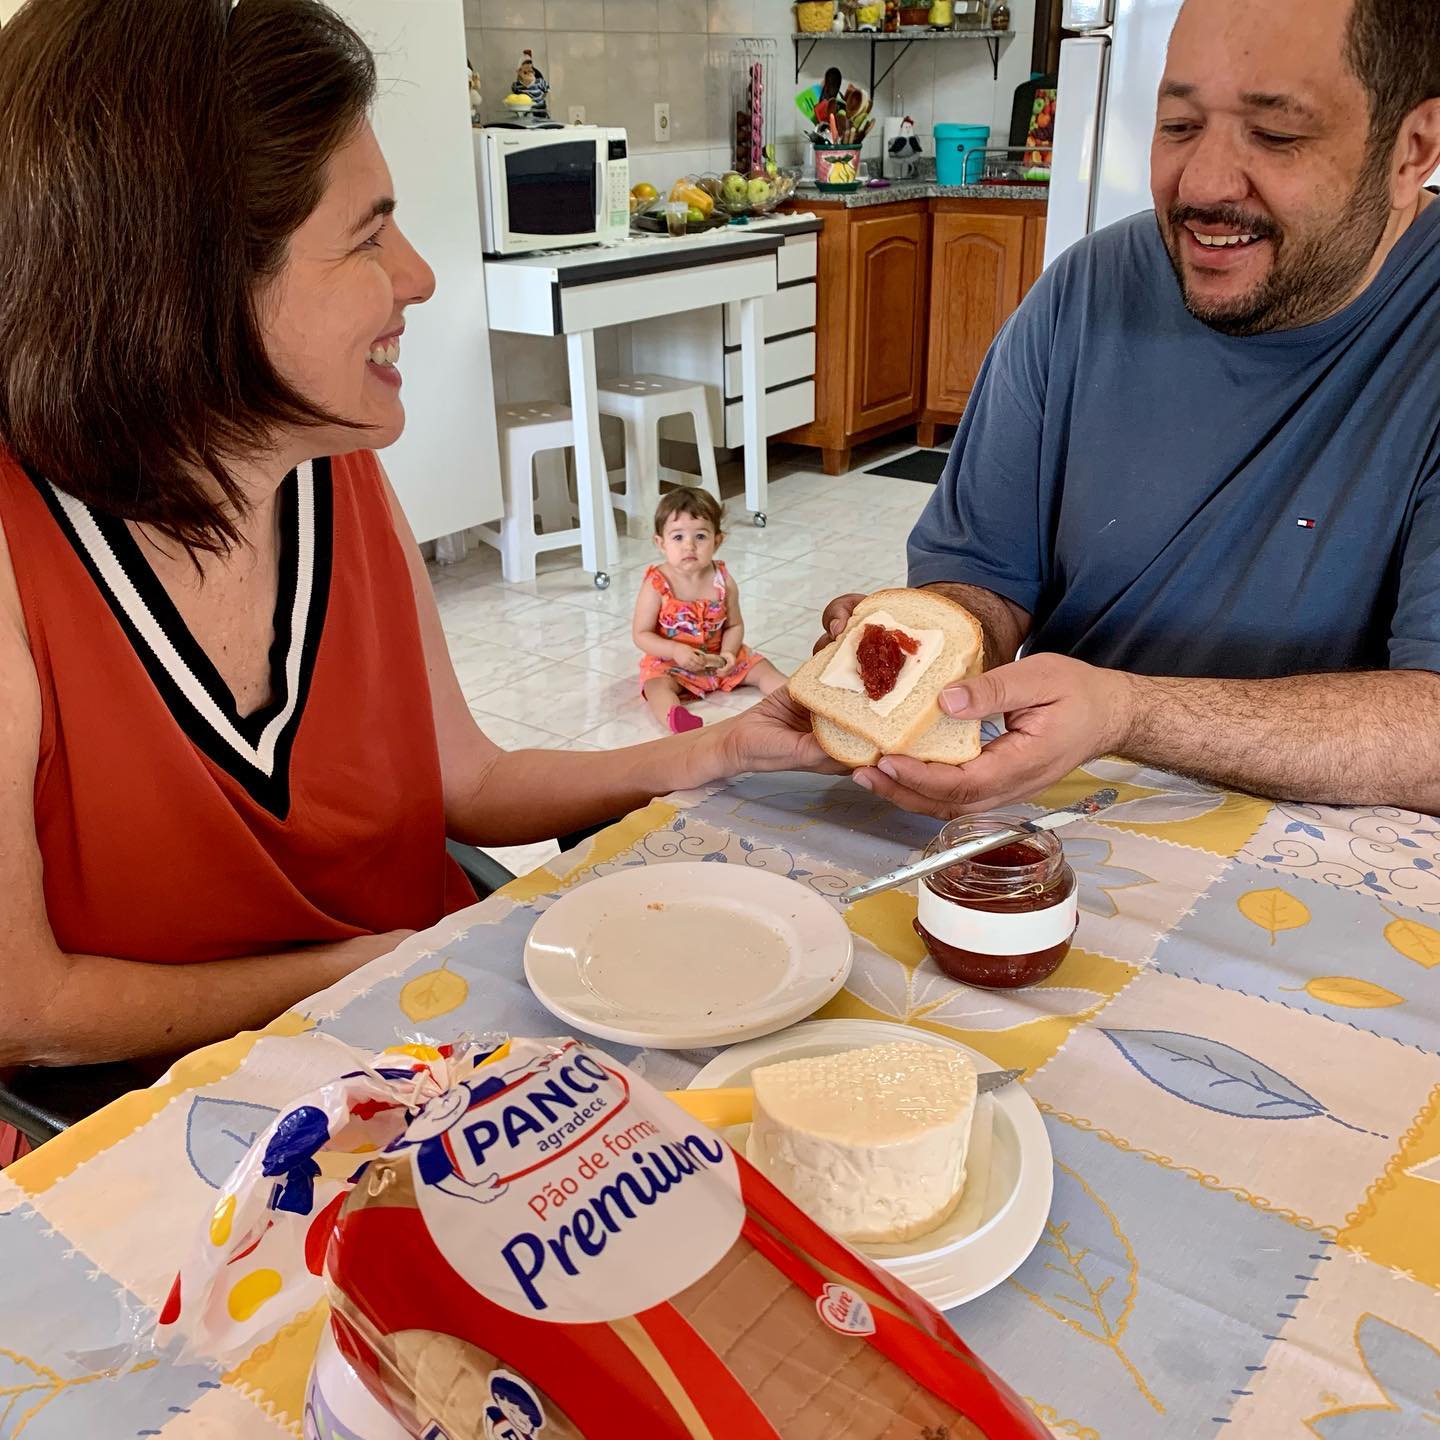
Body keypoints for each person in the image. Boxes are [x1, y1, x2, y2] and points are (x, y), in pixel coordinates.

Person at [0, 0, 828, 1070]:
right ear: (182, 285)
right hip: (221, 1124)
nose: (420, 275)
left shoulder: (336, 471)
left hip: (437, 1041)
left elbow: (463, 786)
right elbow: (25, 1010)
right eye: (366, 235)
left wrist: (716, 749)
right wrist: (381, 967)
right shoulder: (20, 552)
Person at [825, 0, 1440, 819]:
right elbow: (983, 578)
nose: (1205, 186)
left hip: (1328, 852)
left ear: (1413, 151)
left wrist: (1127, 711)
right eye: (1179, 125)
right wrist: (932, 642)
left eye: (1277, 136)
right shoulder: (1084, 292)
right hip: (1063, 819)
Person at [632, 487, 787, 734]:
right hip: (671, 662)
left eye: (701, 537)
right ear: (660, 543)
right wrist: (675, 650)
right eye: (678, 537)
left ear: (717, 541)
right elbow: (641, 634)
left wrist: (728, 654)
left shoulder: (723, 581)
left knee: (761, 667)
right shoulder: (657, 584)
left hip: (719, 656)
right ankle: (674, 717)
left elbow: (734, 625)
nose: (689, 546)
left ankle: (795, 699)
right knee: (656, 686)